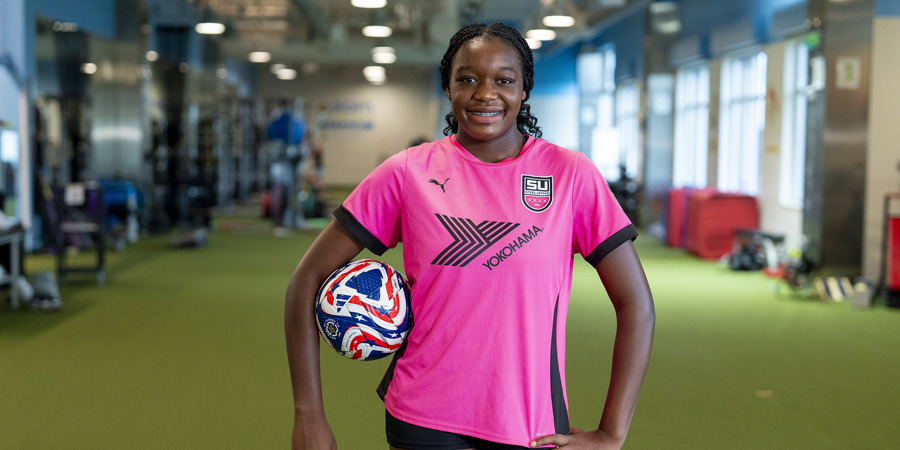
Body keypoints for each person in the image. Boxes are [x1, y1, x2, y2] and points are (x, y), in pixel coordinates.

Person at [285, 23, 655, 450]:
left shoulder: (570, 175)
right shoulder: (408, 173)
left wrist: (613, 432)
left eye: (503, 80)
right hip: (423, 418)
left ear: (524, 89)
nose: (485, 93)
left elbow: (636, 305)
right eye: (468, 78)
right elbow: (306, 279)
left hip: (530, 426)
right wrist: (308, 414)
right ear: (448, 86)